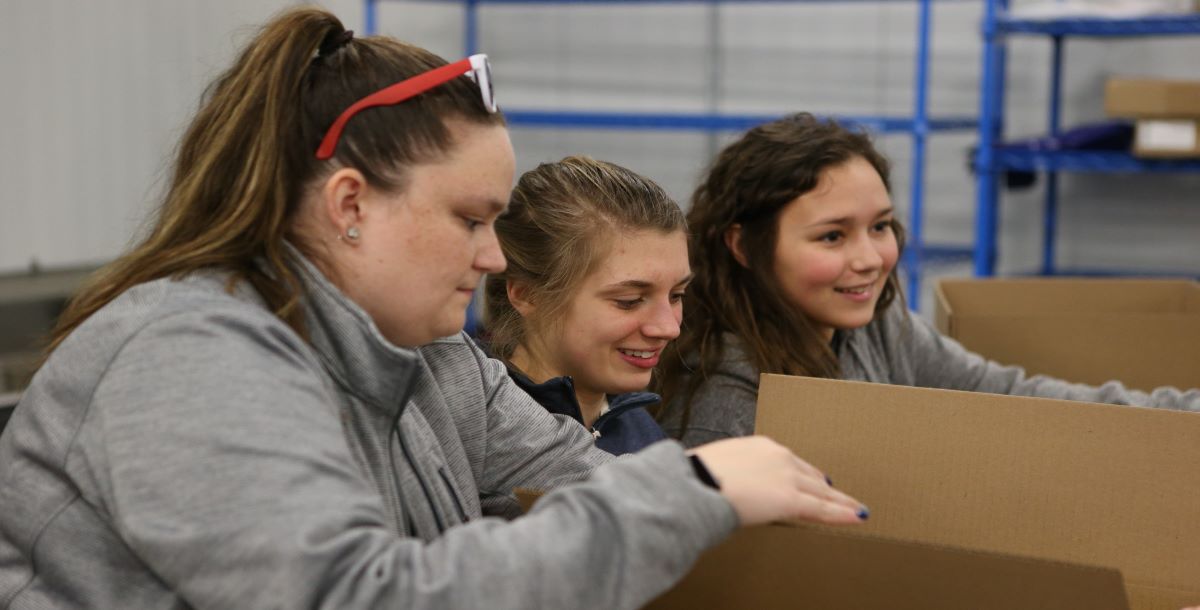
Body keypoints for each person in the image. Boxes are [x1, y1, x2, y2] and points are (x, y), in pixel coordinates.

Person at [0, 11, 869, 609]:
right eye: (469, 220)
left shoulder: (432, 360)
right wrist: (693, 488)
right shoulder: (188, 359)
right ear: (350, 206)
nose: (492, 257)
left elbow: (584, 477)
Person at [656, 112, 1200, 447]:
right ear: (741, 245)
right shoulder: (726, 396)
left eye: (881, 226)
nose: (870, 258)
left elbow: (1014, 399)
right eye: (832, 237)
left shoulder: (876, 325)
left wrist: (1181, 414)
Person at [483, 156, 683, 454]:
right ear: (527, 295)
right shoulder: (474, 429)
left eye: (677, 295)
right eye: (628, 302)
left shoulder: (643, 432)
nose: (668, 328)